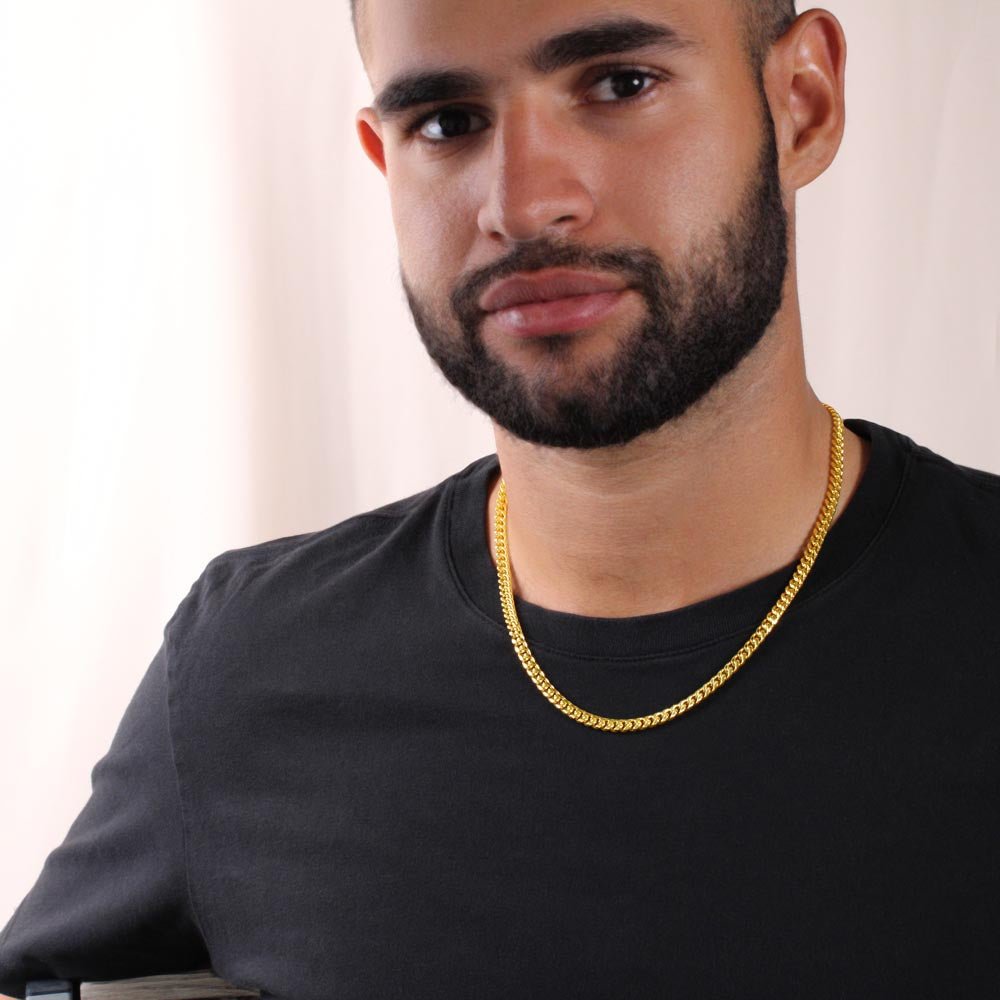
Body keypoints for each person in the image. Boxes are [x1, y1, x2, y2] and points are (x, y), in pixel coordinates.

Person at [2, 0, 998, 996]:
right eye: (444, 121)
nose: (521, 204)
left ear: (801, 104)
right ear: (384, 158)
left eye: (619, 84)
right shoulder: (250, 662)